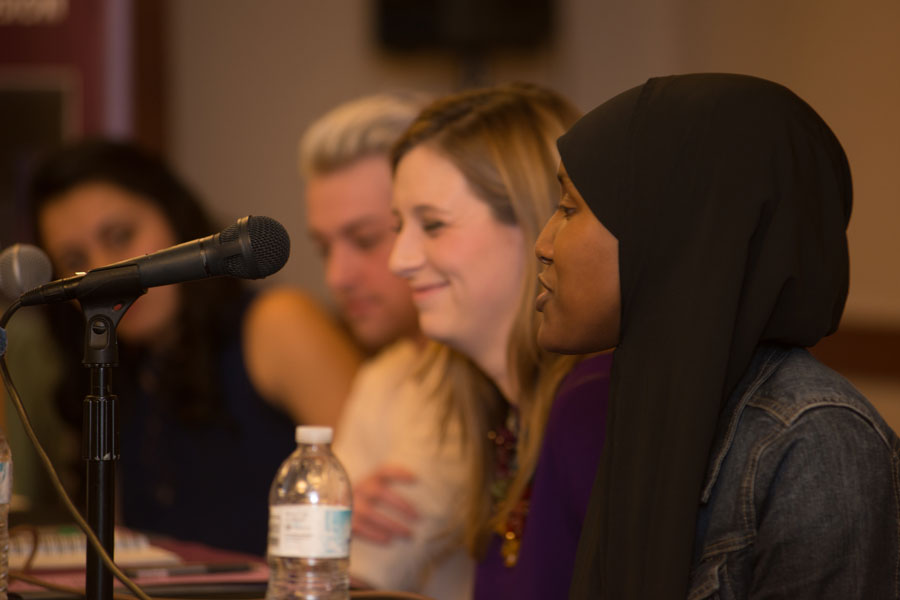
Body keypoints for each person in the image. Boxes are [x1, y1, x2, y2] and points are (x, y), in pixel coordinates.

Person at [533, 73, 900, 599]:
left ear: (675, 230)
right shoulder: (651, 398)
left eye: (569, 209)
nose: (544, 243)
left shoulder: (815, 440)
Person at [27, 138, 361, 556]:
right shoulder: (116, 366)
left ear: (175, 220)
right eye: (75, 257)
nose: (102, 272)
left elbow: (371, 499)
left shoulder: (277, 323)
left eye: (119, 236)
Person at [389, 83, 612, 599]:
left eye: (434, 225)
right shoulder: (506, 421)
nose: (398, 259)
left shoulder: (593, 404)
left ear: (537, 223)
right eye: (399, 226)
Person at [299, 92, 474, 599]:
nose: (337, 276)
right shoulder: (385, 374)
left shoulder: (472, 372)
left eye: (367, 239)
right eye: (325, 247)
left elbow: (354, 570)